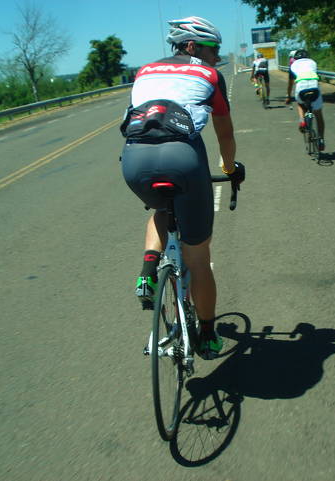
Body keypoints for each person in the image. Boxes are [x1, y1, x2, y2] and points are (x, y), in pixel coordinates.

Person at [119, 16, 245, 359]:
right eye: (212, 49)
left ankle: (148, 270)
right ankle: (206, 335)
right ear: (191, 46)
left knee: (162, 209)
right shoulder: (209, 75)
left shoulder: (144, 71)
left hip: (133, 160)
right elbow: (225, 134)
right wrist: (230, 168)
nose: (217, 56)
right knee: (198, 257)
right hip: (183, 159)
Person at [286, 49, 326, 151]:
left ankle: (302, 121)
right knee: (318, 115)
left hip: (301, 88)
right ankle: (321, 139)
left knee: (300, 104)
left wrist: (288, 96)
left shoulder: (293, 65)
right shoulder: (313, 62)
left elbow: (290, 84)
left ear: (295, 58)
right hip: (314, 88)